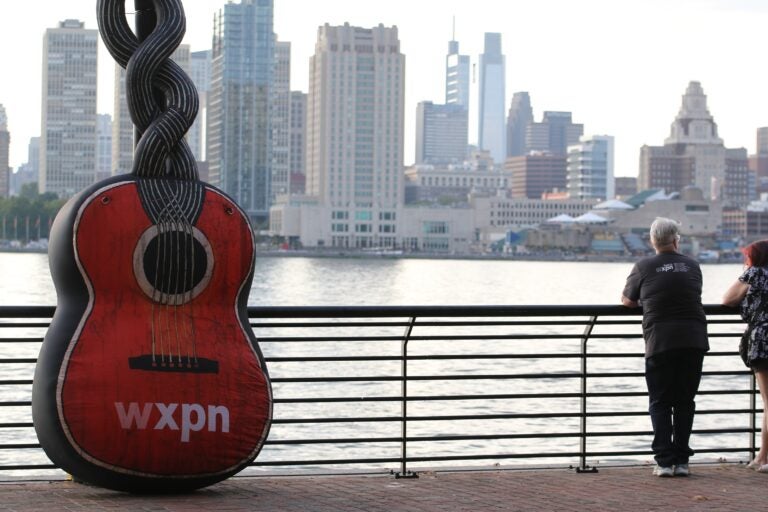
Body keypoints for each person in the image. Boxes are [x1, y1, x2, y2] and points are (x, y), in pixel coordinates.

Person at [621, 217, 709, 477]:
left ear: (652, 241)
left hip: (660, 340)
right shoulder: (692, 266)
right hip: (693, 339)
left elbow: (627, 301)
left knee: (659, 401)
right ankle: (682, 461)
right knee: (685, 401)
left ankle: (663, 462)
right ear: (676, 240)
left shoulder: (643, 266)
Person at [722, 240, 768, 473]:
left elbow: (728, 299)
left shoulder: (755, 273)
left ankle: (763, 458)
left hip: (763, 339)